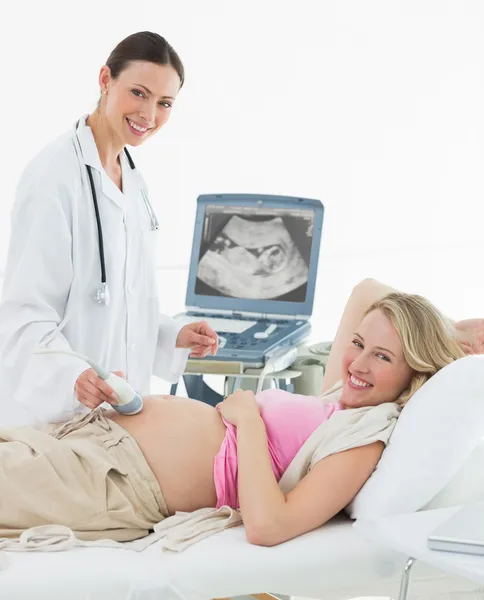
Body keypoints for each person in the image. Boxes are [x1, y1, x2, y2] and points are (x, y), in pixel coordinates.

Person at [0, 278, 482, 548]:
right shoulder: (343, 394)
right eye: (358, 344)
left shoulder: (365, 435)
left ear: (413, 373)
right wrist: (450, 330)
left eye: (382, 356)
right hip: (92, 435)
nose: (357, 362)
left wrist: (249, 421)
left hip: (115, 479)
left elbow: (269, 525)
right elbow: (365, 290)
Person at [0, 31, 218, 428]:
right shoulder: (54, 177)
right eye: (138, 93)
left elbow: (118, 299)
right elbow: (23, 317)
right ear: (105, 80)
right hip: (53, 421)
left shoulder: (131, 178)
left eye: (164, 103)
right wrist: (70, 379)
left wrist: (171, 335)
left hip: (115, 412)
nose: (149, 115)